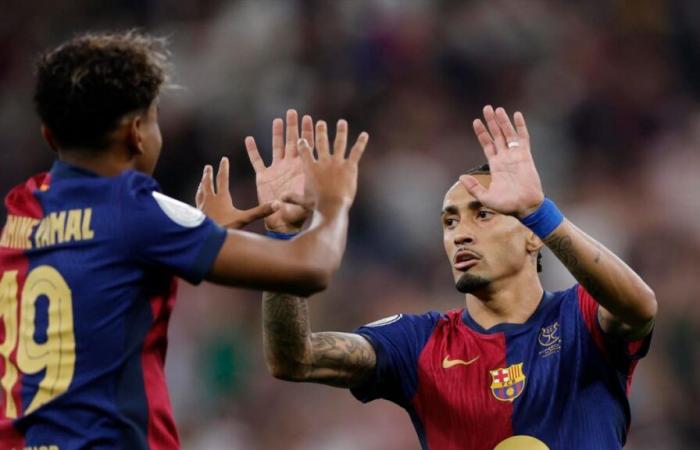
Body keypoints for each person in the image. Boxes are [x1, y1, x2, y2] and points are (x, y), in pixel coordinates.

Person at [0, 31, 368, 449]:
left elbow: (99, 275)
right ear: (137, 131)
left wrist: (204, 232)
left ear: (49, 135)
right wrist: (335, 201)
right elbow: (311, 269)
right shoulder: (136, 212)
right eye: (155, 118)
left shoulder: (21, 212)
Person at [228, 106, 657, 450]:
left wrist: (540, 213)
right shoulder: (420, 343)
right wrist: (283, 238)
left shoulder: (578, 317)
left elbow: (639, 308)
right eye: (449, 222)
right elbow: (294, 358)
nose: (460, 233)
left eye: (483, 214)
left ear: (531, 238)